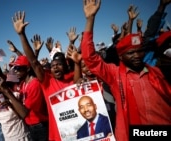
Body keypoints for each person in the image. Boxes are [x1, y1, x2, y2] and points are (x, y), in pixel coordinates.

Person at [80, 1, 171, 141]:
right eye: (130, 53)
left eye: (139, 51)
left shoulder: (157, 72)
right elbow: (90, 57)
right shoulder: (115, 74)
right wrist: (90, 19)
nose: (136, 56)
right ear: (121, 57)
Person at [12, 11, 77, 141]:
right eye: (52, 66)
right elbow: (34, 63)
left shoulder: (74, 80)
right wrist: (21, 35)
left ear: (66, 67)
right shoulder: (47, 83)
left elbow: (76, 61)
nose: (55, 67)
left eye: (59, 65)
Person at [11, 55, 49, 141]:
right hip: (31, 126)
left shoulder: (34, 84)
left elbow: (24, 113)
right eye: (15, 68)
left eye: (18, 68)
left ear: (27, 69)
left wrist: (8, 92)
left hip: (40, 126)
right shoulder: (23, 84)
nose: (16, 71)